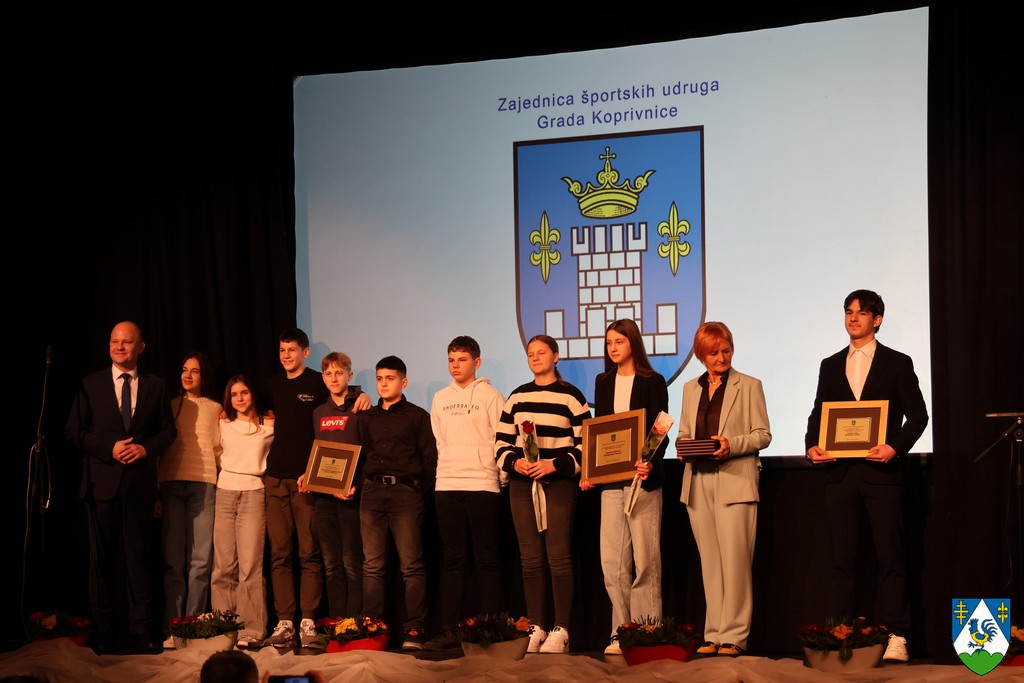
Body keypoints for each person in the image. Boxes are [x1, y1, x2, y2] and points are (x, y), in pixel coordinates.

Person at [805, 289, 928, 663]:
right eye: (848, 311)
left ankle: (896, 635)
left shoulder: (897, 362)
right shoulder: (830, 364)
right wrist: (812, 445)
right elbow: (819, 412)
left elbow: (918, 415)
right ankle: (839, 637)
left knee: (890, 557)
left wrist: (894, 447)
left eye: (861, 312)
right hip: (840, 474)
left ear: (877, 320)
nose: (853, 317)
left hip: (881, 474)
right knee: (841, 560)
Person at [64, 320, 177, 653]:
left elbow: (168, 431)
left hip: (139, 487)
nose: (119, 347)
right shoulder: (90, 384)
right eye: (114, 341)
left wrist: (145, 449)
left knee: (139, 561)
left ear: (141, 347)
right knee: (100, 563)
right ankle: (102, 632)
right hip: (100, 486)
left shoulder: (156, 386)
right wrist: (108, 448)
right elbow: (73, 431)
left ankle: (141, 632)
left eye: (126, 342)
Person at [263, 329, 369, 649]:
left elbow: (343, 392)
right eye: (282, 350)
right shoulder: (273, 383)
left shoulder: (317, 382)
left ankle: (308, 619)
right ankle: (285, 621)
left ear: (305, 353)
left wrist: (362, 395)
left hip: (307, 482)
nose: (286, 355)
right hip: (275, 478)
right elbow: (263, 414)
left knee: (309, 553)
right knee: (280, 554)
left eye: (292, 350)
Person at [676, 321, 770, 658]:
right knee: (711, 564)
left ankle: (735, 635)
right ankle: (713, 632)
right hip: (698, 482)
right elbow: (684, 432)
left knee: (735, 562)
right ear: (701, 355)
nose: (721, 358)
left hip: (735, 481)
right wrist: (684, 446)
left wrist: (732, 444)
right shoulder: (690, 388)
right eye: (714, 353)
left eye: (726, 350)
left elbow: (763, 434)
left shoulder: (749, 385)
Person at [495, 335, 591, 654]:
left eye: (541, 353)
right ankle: (537, 625)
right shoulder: (517, 396)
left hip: (557, 483)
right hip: (522, 484)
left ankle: (562, 629)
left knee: (558, 556)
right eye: (530, 354)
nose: (535, 358)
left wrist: (555, 465)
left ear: (556, 357)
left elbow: (586, 444)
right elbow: (501, 442)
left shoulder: (571, 396)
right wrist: (516, 463)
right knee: (530, 558)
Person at [581, 319, 669, 656]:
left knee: (646, 562)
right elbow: (602, 432)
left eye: (619, 341)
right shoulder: (603, 382)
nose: (613, 348)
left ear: (633, 343)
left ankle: (648, 630)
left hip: (643, 481)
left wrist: (650, 460)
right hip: (611, 484)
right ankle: (621, 631)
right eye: (608, 343)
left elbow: (661, 427)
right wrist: (591, 470)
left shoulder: (652, 381)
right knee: (613, 563)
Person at [423, 336, 505, 651]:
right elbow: (439, 441)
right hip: (447, 484)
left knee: (487, 558)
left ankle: (491, 628)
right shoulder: (440, 398)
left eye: (462, 359)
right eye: (451, 360)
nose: (456, 366)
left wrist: (499, 478)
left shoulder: (491, 396)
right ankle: (449, 630)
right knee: (453, 559)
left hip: (483, 484)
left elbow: (500, 438)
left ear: (476, 363)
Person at [359, 356, 437, 650]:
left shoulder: (417, 416)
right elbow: (361, 455)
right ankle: (373, 629)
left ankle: (414, 629)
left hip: (406, 493)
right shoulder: (367, 417)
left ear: (403, 382)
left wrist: (421, 496)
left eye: (390, 378)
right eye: (379, 378)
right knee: (372, 566)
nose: (383, 384)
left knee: (411, 566)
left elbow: (429, 460)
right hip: (372, 493)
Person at [159, 352, 223, 648]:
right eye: (184, 370)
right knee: (173, 562)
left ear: (203, 376)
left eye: (194, 371)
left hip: (204, 484)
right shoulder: (170, 405)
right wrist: (155, 488)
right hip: (171, 484)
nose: (187, 375)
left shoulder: (216, 408)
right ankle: (172, 628)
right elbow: (159, 449)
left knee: (200, 561)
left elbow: (219, 448)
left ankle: (192, 627)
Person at [211, 376, 274, 649]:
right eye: (234, 394)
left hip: (254, 492)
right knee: (223, 566)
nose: (239, 398)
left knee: (250, 567)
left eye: (244, 392)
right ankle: (223, 626)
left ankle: (252, 629)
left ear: (252, 394)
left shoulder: (268, 424)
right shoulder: (223, 423)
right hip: (224, 492)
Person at [304, 352, 364, 618]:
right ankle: (336, 624)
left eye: (339, 373)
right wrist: (309, 475)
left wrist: (356, 485)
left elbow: (368, 452)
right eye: (328, 374)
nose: (333, 378)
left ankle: (354, 624)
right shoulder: (318, 412)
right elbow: (318, 452)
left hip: (351, 497)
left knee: (352, 564)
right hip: (324, 499)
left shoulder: (360, 408)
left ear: (349, 375)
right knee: (331, 565)